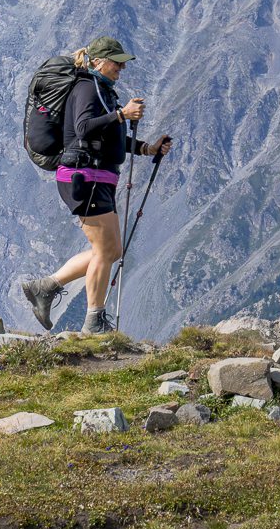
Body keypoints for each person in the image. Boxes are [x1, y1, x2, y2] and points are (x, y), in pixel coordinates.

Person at [20, 37, 171, 334]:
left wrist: (146, 149)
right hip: (83, 176)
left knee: (112, 250)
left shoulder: (103, 90)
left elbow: (108, 137)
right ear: (99, 61)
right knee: (105, 250)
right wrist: (121, 114)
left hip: (95, 177)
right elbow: (83, 128)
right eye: (117, 62)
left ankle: (45, 287)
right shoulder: (87, 88)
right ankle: (93, 322)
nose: (122, 68)